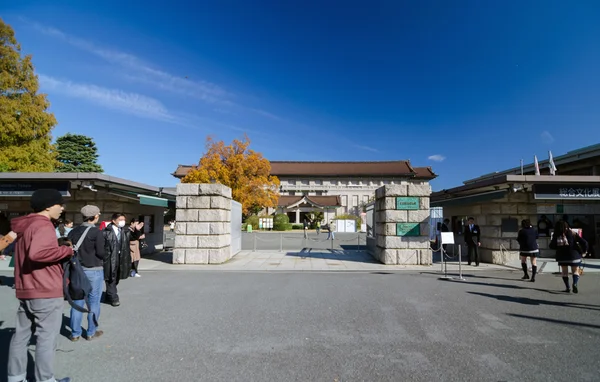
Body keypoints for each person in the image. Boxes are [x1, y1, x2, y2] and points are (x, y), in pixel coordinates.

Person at [7, 189, 73, 382]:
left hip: (26, 287)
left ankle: (16, 377)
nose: (62, 208)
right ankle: (46, 379)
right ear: (48, 206)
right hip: (45, 289)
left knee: (21, 336)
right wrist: (65, 251)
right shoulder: (43, 225)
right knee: (46, 338)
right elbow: (38, 253)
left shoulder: (25, 226)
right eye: (59, 204)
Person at [67, 205, 106, 342]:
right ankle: (91, 332)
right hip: (94, 270)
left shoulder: (73, 231)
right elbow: (101, 253)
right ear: (95, 216)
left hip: (76, 270)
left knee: (77, 301)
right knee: (93, 302)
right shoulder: (97, 232)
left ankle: (75, 333)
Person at [103, 213, 142, 306]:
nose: (122, 221)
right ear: (114, 220)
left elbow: (134, 237)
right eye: (120, 219)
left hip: (122, 258)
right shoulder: (106, 232)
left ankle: (109, 295)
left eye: (123, 219)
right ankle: (114, 297)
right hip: (110, 258)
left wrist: (137, 230)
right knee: (110, 277)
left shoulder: (125, 232)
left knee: (116, 278)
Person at [549, 220, 588, 293]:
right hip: (574, 255)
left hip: (562, 256)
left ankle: (567, 287)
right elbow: (584, 242)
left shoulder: (556, 234)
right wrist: (584, 251)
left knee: (564, 272)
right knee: (575, 271)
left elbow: (551, 246)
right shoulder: (572, 233)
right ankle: (575, 283)